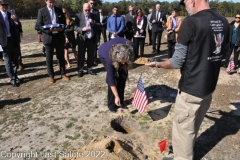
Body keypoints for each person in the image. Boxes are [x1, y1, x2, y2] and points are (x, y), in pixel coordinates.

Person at [145, 0, 229, 159]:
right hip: (208, 88)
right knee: (193, 127)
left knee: (183, 131)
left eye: (184, 4)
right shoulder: (223, 21)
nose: (185, 7)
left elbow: (176, 61)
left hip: (190, 89)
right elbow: (223, 54)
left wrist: (157, 64)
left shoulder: (190, 22)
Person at [37, 0, 70, 83]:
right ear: (46, 1)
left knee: (61, 57)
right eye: (50, 2)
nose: (51, 4)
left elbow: (63, 22)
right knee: (49, 58)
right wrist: (48, 31)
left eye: (53, 2)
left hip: (59, 37)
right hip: (48, 37)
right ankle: (51, 76)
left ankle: (63, 73)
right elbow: (38, 26)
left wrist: (62, 28)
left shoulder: (59, 10)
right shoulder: (41, 11)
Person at [98, 37, 135, 112]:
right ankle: (111, 104)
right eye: (122, 62)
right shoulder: (109, 59)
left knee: (123, 76)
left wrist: (125, 65)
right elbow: (111, 79)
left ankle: (120, 101)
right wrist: (116, 96)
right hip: (103, 53)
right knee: (113, 78)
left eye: (125, 61)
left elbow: (129, 60)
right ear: (117, 59)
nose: (123, 64)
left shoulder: (132, 48)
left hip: (123, 52)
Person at [74, 3, 98, 77]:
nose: (87, 11)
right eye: (86, 10)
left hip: (91, 38)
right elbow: (75, 27)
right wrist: (82, 29)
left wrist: (93, 22)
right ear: (82, 9)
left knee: (90, 55)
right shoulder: (78, 16)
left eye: (89, 10)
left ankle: (89, 69)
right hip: (82, 39)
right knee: (81, 55)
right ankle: (80, 70)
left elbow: (99, 25)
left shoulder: (94, 16)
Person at [0, 0, 20, 87]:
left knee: (15, 60)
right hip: (3, 41)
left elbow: (18, 28)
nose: (4, 6)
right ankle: (12, 78)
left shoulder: (11, 14)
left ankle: (15, 76)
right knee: (7, 61)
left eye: (6, 4)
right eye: (2, 5)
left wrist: (16, 21)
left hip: (13, 40)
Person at [88, 0, 100, 66]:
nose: (92, 4)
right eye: (91, 3)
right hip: (86, 32)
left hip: (94, 31)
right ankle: (89, 59)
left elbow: (98, 23)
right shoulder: (85, 10)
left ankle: (94, 59)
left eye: (93, 3)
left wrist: (93, 22)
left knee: (94, 46)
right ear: (88, 3)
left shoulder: (96, 12)